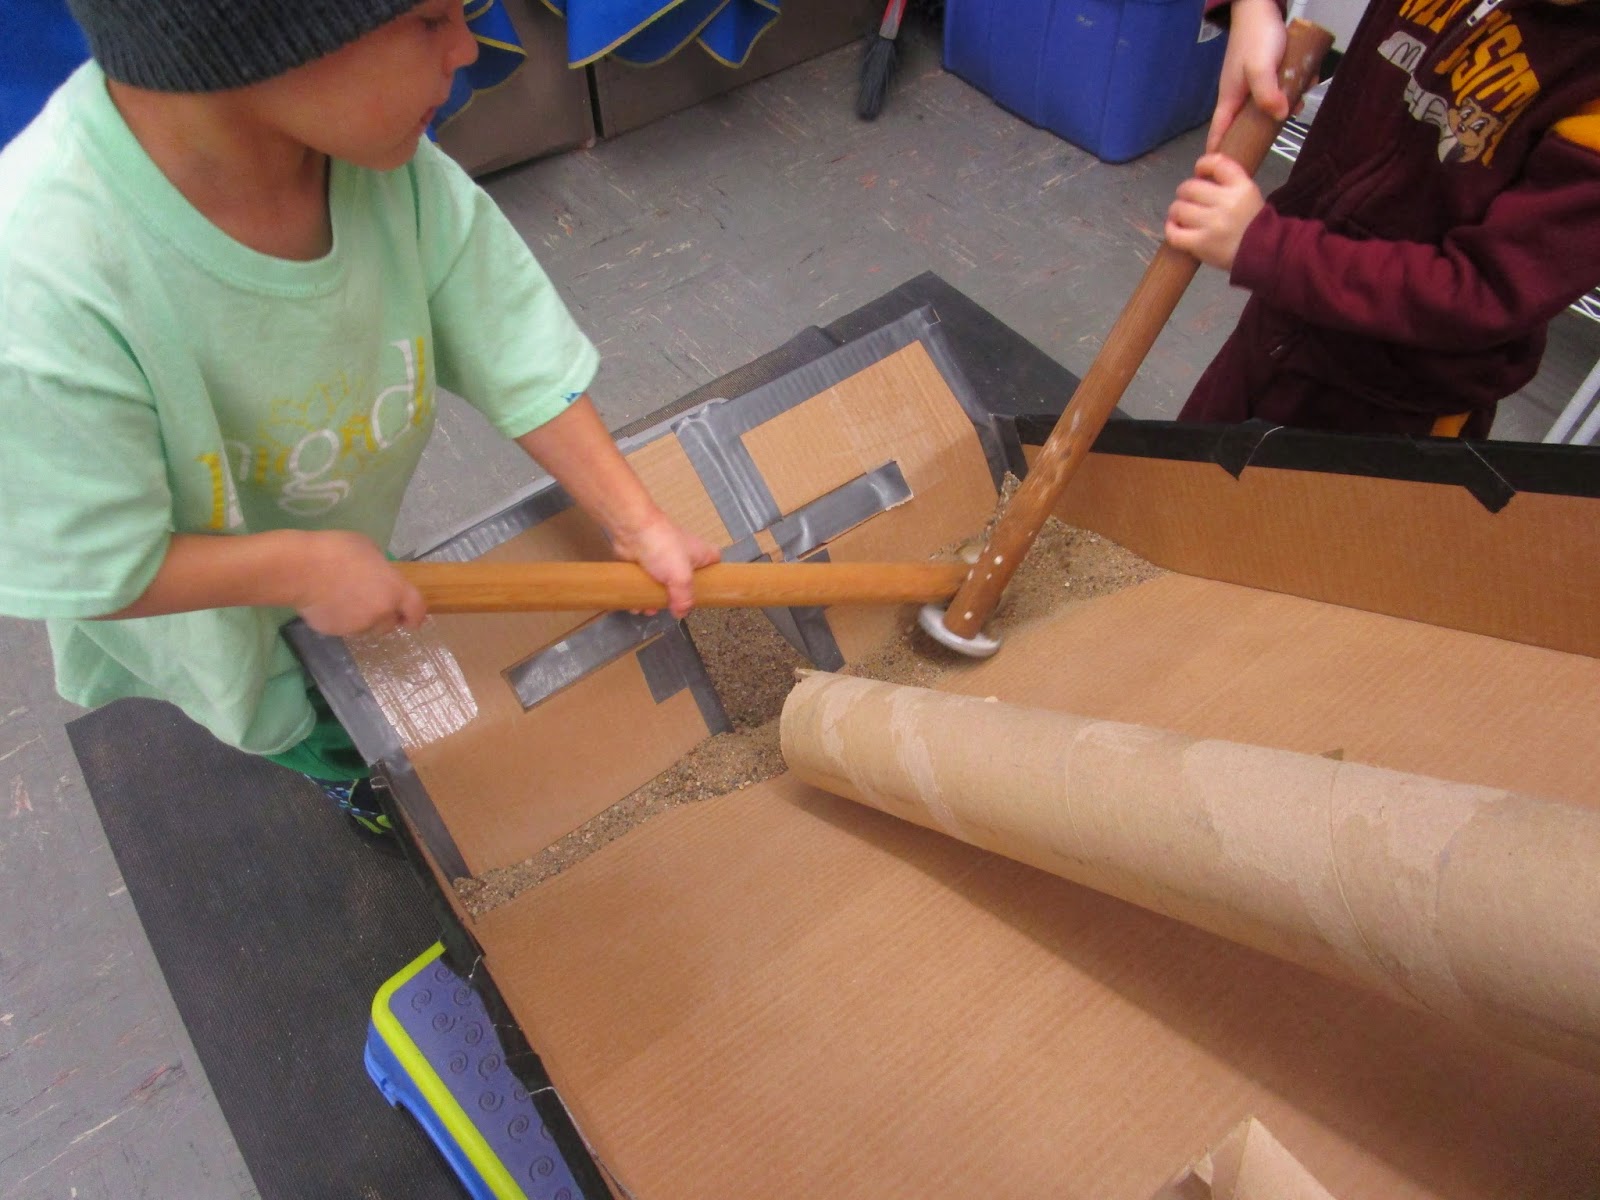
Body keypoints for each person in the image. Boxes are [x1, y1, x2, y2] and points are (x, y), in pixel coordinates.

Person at [0, 0, 719, 835]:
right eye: (428, 20)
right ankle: (350, 781)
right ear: (255, 42)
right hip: (194, 602)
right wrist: (300, 569)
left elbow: (508, 336)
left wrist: (637, 522)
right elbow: (96, 564)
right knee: (300, 715)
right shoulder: (40, 286)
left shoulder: (383, 163)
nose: (465, 47)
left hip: (325, 522)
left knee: (353, 654)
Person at [1165, 0, 1600, 437]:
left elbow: (1486, 292)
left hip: (1390, 406)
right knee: (1172, 479)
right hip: (1277, 324)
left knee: (1270, 506)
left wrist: (1268, 249)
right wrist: (1255, 10)